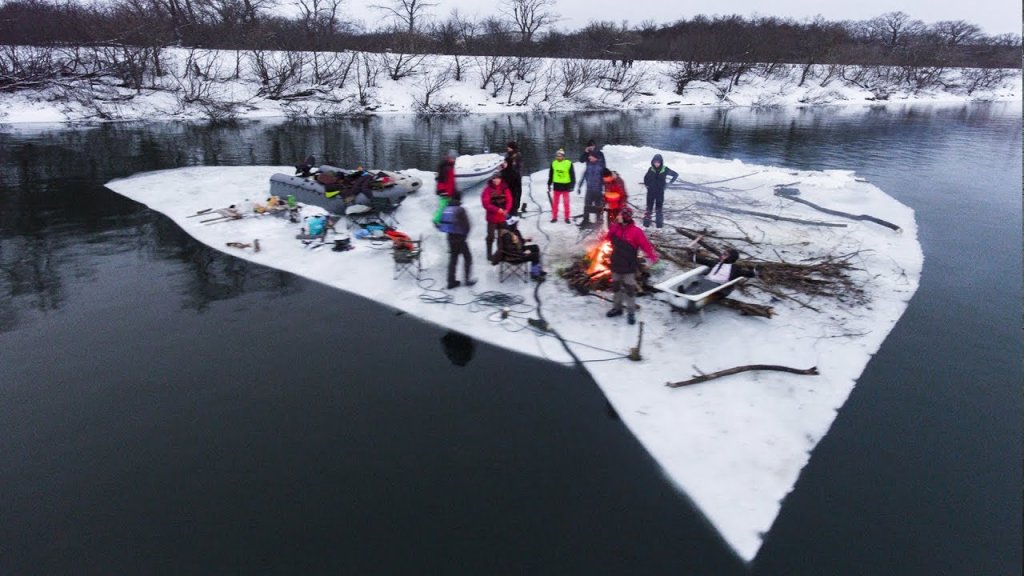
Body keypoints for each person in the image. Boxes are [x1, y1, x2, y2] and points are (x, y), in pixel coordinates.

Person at [605, 207, 657, 325]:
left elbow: (646, 245)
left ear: (625, 217)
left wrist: (652, 257)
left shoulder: (636, 232)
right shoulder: (615, 228)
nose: (618, 216)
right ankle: (617, 308)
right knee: (616, 288)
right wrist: (612, 231)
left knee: (629, 290)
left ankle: (631, 313)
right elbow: (607, 239)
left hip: (629, 267)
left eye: (620, 215)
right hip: (616, 264)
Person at [686, 239, 757, 299]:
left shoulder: (734, 269)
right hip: (707, 280)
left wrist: (755, 271)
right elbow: (704, 261)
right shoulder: (716, 262)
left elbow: (746, 273)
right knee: (696, 281)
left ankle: (690, 296)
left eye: (725, 255)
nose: (722, 255)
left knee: (705, 284)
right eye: (723, 253)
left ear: (731, 258)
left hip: (718, 287)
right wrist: (692, 255)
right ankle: (684, 292)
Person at [436, 193, 476, 290]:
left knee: (453, 260)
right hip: (460, 238)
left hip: (450, 238)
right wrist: (464, 236)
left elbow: (439, 223)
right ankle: (467, 280)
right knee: (468, 258)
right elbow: (467, 225)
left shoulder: (446, 209)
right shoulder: (460, 210)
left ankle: (451, 282)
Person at [496, 216, 547, 280]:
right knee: (535, 256)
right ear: (512, 225)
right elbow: (510, 251)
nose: (517, 224)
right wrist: (523, 253)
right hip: (513, 257)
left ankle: (537, 269)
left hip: (518, 251)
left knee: (535, 247)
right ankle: (535, 275)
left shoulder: (515, 231)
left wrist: (526, 240)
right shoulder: (506, 235)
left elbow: (519, 243)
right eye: (516, 223)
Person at [481, 174, 513, 262]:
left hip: (502, 218)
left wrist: (507, 209)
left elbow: (509, 200)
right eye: (494, 179)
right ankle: (489, 254)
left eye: (497, 178)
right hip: (492, 218)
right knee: (490, 236)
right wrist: (497, 210)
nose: (496, 180)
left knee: (501, 237)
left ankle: (500, 254)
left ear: (500, 179)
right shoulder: (487, 190)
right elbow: (486, 204)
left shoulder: (505, 188)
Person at [642, 153, 679, 228]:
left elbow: (675, 174)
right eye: (655, 162)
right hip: (651, 192)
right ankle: (646, 224)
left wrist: (669, 183)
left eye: (658, 162)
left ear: (661, 162)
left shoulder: (665, 169)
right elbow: (645, 178)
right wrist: (647, 185)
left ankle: (659, 225)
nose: (656, 164)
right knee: (649, 208)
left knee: (659, 209)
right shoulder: (651, 169)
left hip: (660, 192)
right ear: (652, 162)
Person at [546, 148, 576, 224]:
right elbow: (551, 175)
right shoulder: (553, 163)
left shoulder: (568, 163)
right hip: (556, 186)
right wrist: (549, 184)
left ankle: (567, 217)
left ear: (563, 156)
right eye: (557, 156)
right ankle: (554, 217)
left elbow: (572, 175)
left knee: (566, 203)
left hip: (566, 186)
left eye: (560, 156)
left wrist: (572, 185)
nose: (558, 157)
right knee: (555, 203)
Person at [578, 151, 605, 228]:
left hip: (598, 191)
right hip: (589, 190)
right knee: (587, 206)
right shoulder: (588, 165)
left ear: (595, 157)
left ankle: (598, 221)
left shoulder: (601, 167)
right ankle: (586, 220)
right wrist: (579, 186)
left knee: (598, 206)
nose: (589, 157)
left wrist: (605, 190)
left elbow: (604, 180)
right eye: (589, 156)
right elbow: (583, 176)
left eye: (591, 156)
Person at [433, 149, 458, 225]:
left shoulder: (451, 165)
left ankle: (445, 219)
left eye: (454, 158)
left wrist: (454, 190)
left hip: (450, 190)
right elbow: (440, 180)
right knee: (442, 207)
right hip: (445, 191)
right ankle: (436, 220)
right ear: (448, 157)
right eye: (452, 158)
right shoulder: (444, 167)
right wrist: (442, 191)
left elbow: (451, 180)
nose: (453, 159)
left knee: (449, 206)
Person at [501, 141, 523, 215]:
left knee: (516, 194)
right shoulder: (507, 156)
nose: (507, 148)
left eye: (509, 147)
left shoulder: (517, 156)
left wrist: (508, 165)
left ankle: (515, 208)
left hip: (515, 179)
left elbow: (516, 169)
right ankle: (509, 208)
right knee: (508, 194)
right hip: (508, 179)